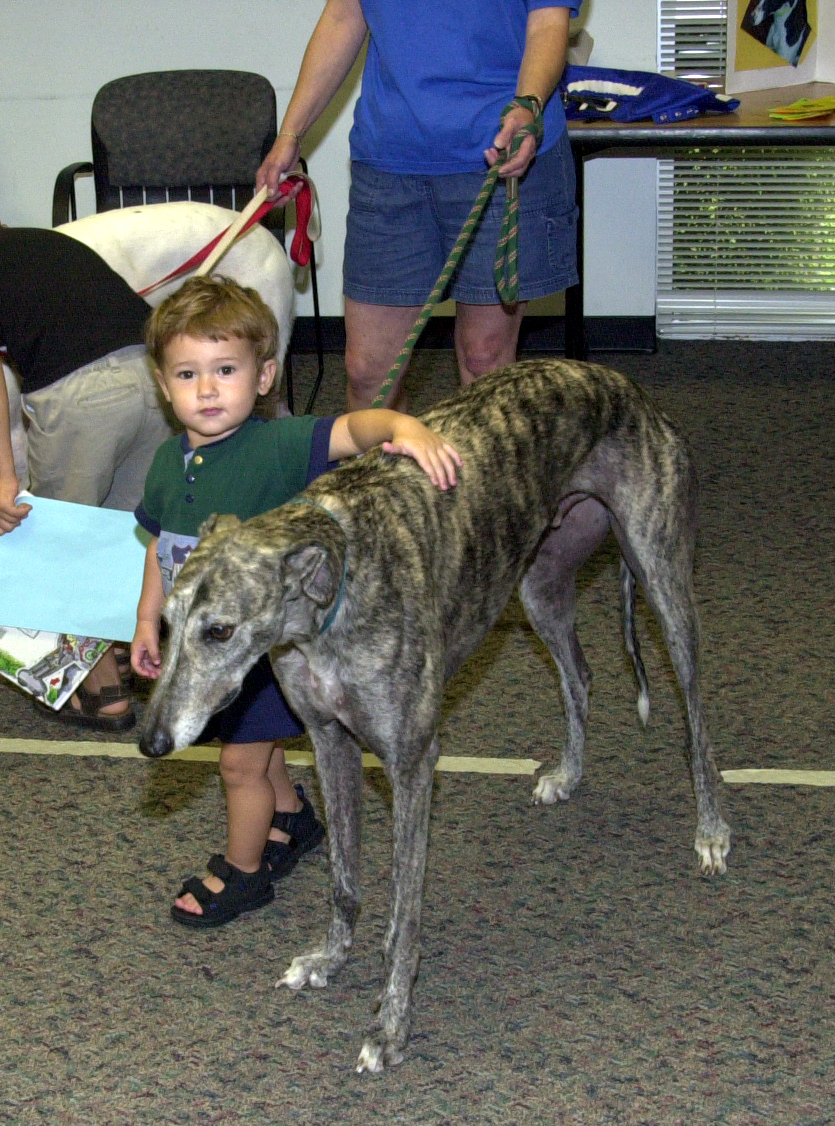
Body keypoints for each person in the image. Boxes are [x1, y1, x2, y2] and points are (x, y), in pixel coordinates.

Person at [131, 276, 461, 927]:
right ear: (163, 386)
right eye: (187, 373)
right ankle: (293, 819)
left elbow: (352, 428)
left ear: (263, 377)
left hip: (267, 652)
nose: (206, 389)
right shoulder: (169, 463)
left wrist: (404, 425)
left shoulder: (276, 445)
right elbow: (157, 547)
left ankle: (245, 871)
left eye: (225, 370)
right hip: (207, 646)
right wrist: (148, 619)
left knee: (237, 765)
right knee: (261, 754)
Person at [0, 182, 172, 731]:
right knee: (127, 530)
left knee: (61, 539)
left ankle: (102, 693)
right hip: (156, 376)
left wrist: (3, 478)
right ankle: (121, 645)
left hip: (80, 396)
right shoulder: (50, 243)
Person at [256, 0, 581, 410]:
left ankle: (489, 475)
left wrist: (529, 105)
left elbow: (548, 24)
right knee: (367, 372)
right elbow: (342, 18)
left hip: (499, 153)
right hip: (390, 160)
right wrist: (290, 135)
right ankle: (389, 476)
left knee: (486, 362)